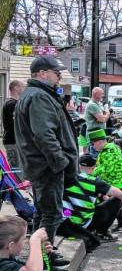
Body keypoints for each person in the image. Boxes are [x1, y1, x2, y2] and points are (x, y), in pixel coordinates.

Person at [14, 56, 78, 248]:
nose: (59, 76)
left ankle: (42, 255)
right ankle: (44, 259)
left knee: (43, 212)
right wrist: (61, 162)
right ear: (42, 73)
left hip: (42, 165)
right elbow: (44, 135)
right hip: (47, 167)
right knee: (51, 213)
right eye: (55, 72)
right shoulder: (39, 96)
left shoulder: (35, 94)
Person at [59, 154, 122, 250]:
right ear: (93, 168)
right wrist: (118, 201)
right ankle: (102, 232)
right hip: (86, 223)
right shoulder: (93, 181)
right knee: (116, 201)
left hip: (67, 221)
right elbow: (119, 194)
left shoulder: (65, 178)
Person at [2, 80, 25, 170]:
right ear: (16, 88)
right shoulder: (12, 104)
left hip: (15, 141)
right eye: (23, 86)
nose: (24, 89)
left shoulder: (14, 103)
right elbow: (19, 123)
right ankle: (16, 184)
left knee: (19, 169)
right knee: (16, 170)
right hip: (12, 141)